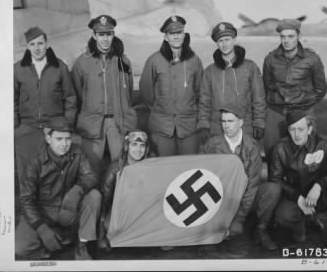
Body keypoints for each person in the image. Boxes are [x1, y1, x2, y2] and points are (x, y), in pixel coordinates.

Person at [261, 110, 327, 255]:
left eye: (301, 129)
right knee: (282, 215)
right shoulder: (280, 148)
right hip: (297, 196)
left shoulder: (324, 143)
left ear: (309, 129)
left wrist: (321, 185)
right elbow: (275, 179)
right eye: (292, 129)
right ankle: (302, 225)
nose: (296, 134)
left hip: (321, 193)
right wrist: (297, 198)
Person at [15, 116, 101, 260]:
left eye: (67, 139)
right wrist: (41, 228)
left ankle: (81, 245)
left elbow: (90, 175)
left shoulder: (77, 153)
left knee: (95, 196)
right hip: (43, 211)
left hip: (67, 208)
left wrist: (77, 190)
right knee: (20, 248)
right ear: (48, 138)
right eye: (59, 139)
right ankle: (49, 242)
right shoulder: (35, 161)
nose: (64, 144)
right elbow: (26, 199)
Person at [201, 103, 278, 249]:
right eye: (223, 121)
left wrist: (239, 218)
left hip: (245, 196)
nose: (226, 126)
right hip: (221, 198)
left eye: (230, 121)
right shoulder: (212, 144)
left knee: (272, 190)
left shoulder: (252, 147)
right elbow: (202, 177)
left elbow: (252, 185)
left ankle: (261, 229)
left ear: (240, 122)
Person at [71, 15, 137, 175]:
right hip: (92, 123)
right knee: (90, 169)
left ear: (113, 35)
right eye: (101, 35)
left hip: (117, 122)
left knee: (121, 167)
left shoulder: (123, 61)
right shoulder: (82, 62)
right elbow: (78, 92)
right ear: (94, 35)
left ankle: (118, 198)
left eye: (109, 34)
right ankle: (95, 198)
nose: (105, 39)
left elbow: (127, 91)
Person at [14, 26, 77, 182]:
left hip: (53, 129)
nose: (37, 48)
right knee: (27, 172)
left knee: (52, 173)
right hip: (27, 129)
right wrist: (16, 126)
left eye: (40, 43)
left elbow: (70, 98)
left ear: (47, 44)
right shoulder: (18, 69)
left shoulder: (59, 67)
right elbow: (11, 99)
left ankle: (51, 204)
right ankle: (27, 204)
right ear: (27, 46)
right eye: (33, 44)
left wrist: (65, 126)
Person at [262, 19, 327, 159]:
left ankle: (302, 180)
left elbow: (320, 89)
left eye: (290, 36)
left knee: (304, 150)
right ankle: (275, 180)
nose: (286, 40)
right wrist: (275, 101)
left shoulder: (312, 59)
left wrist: (304, 103)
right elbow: (266, 85)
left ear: (299, 36)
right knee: (272, 150)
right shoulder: (271, 58)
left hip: (302, 109)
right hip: (276, 110)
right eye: (283, 37)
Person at [139, 15, 203, 156]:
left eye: (179, 33)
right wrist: (160, 108)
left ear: (184, 35)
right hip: (162, 125)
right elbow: (146, 90)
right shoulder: (154, 60)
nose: (176, 37)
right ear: (165, 37)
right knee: (164, 167)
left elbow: (200, 90)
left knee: (189, 169)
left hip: (188, 125)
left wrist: (190, 110)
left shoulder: (194, 60)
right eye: (171, 33)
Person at [198, 22, 266, 146]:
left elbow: (259, 98)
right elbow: (204, 101)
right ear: (216, 43)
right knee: (220, 164)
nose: (224, 44)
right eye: (220, 40)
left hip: (245, 127)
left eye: (227, 39)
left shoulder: (250, 67)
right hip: (218, 128)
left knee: (244, 162)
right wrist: (203, 125)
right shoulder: (209, 72)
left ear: (234, 39)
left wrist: (259, 122)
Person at [97, 130, 150, 251]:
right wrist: (102, 227)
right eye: (134, 145)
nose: (138, 150)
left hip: (142, 209)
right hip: (119, 210)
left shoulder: (151, 165)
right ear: (127, 147)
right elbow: (105, 197)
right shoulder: (116, 167)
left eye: (142, 146)